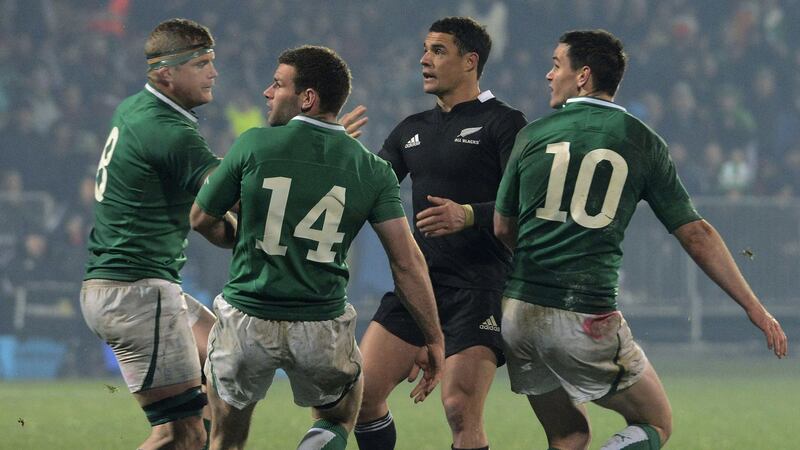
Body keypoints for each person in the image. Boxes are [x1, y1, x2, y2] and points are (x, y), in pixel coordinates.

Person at [493, 29, 788, 450]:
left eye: (556, 64)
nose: (548, 74)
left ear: (583, 76)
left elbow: (503, 229)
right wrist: (755, 309)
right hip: (584, 314)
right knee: (657, 422)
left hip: (519, 314)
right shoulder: (641, 140)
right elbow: (696, 234)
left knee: (568, 434)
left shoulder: (532, 136)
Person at [190, 45, 445, 450]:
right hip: (320, 323)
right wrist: (433, 336)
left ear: (307, 98)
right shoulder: (372, 169)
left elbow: (200, 219)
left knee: (226, 438)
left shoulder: (253, 145)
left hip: (247, 318)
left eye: (277, 84)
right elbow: (407, 261)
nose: (267, 93)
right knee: (339, 417)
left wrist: (244, 236)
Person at [355, 17, 527, 450]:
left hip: (478, 286)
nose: (423, 60)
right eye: (425, 50)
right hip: (417, 286)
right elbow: (366, 190)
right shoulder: (410, 129)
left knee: (459, 409)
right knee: (360, 397)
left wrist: (467, 215)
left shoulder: (504, 123)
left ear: (470, 61)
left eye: (438, 51)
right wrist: (334, 145)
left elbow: (525, 203)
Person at [80, 18, 220, 450]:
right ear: (166, 73)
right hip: (138, 291)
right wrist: (309, 147)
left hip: (129, 286)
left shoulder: (134, 109)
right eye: (201, 64)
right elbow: (235, 193)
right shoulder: (171, 131)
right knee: (180, 435)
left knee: (223, 360)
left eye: (212, 61)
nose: (213, 72)